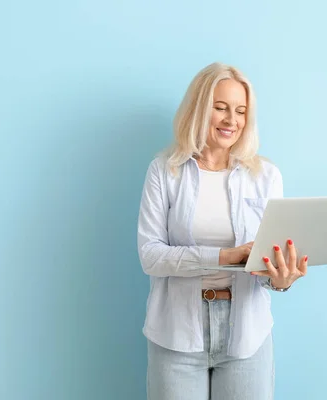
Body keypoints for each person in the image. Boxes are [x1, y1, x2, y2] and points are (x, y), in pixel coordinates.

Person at [137, 62, 308, 400]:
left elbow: (265, 264)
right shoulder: (164, 170)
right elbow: (151, 256)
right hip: (177, 335)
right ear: (200, 110)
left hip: (247, 335)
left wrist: (281, 279)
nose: (232, 120)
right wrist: (224, 257)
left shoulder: (266, 176)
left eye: (241, 111)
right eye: (221, 108)